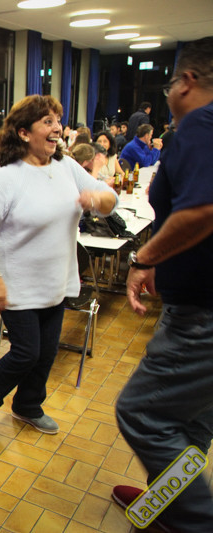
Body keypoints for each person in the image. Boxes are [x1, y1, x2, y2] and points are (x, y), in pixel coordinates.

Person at [0, 94, 117, 442]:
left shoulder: (66, 167)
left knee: (46, 354)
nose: (57, 128)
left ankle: (28, 405)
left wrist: (97, 199)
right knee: (26, 353)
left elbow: (110, 200)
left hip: (56, 283)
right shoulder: (7, 178)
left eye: (58, 121)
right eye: (47, 122)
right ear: (23, 133)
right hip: (17, 286)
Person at [113, 36, 213, 532]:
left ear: (187, 81)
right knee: (189, 422)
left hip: (202, 314)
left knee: (141, 413)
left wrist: (144, 257)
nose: (169, 93)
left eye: (171, 82)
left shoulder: (200, 125)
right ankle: (166, 506)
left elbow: (202, 211)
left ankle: (195, 520)